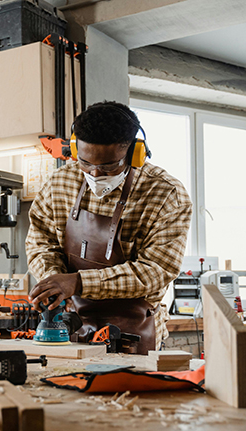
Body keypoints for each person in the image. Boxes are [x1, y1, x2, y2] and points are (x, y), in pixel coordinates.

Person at [25, 101, 192, 354]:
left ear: (135, 153)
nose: (94, 173)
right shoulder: (59, 182)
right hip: (71, 328)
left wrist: (78, 282)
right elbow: (40, 244)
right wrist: (53, 284)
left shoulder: (166, 194)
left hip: (133, 334)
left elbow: (156, 270)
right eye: (85, 162)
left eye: (108, 166)